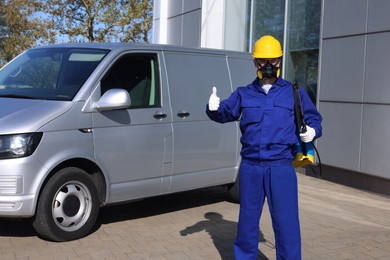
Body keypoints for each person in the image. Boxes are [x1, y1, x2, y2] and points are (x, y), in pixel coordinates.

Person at [206, 35, 322, 260]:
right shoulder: (244, 93)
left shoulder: (293, 92)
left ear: (279, 60)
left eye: (273, 60)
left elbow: (314, 119)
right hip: (251, 168)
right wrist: (213, 108)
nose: (268, 66)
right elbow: (225, 113)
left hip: (281, 167)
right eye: (262, 61)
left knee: (286, 224)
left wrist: (313, 131)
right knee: (247, 224)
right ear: (255, 63)